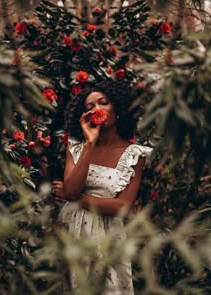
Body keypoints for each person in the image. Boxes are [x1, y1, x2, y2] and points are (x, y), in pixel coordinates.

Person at [57, 80, 153, 294]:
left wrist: (78, 199)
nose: (96, 109)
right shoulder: (77, 147)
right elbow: (71, 189)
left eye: (103, 103)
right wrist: (90, 144)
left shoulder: (134, 155)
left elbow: (122, 207)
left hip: (109, 235)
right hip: (72, 230)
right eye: (89, 107)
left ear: (117, 107)